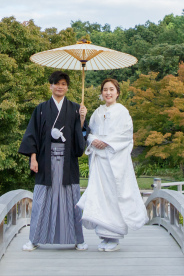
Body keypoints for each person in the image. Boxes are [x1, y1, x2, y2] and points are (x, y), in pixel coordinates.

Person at [19, 70, 89, 251]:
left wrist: (81, 119)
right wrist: (33, 158)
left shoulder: (75, 108)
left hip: (67, 162)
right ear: (50, 86)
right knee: (42, 198)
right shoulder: (41, 109)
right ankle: (34, 239)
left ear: (67, 87)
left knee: (71, 198)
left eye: (64, 84)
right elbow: (32, 135)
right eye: (57, 83)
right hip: (45, 161)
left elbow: (79, 136)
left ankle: (78, 240)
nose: (60, 87)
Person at [77, 78, 148, 252]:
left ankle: (114, 237)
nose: (108, 93)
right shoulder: (97, 112)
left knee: (113, 195)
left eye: (111, 89)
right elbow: (88, 131)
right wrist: (90, 134)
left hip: (114, 161)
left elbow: (125, 136)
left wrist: (106, 143)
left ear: (117, 92)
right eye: (105, 90)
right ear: (101, 93)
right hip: (99, 161)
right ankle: (104, 235)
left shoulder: (122, 112)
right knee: (100, 196)